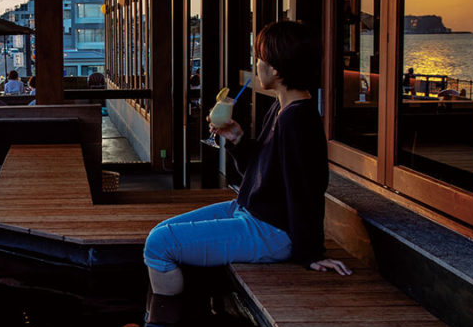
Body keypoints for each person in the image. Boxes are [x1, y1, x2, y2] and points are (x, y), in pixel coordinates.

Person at [144, 21, 351, 298]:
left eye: (260, 59)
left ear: (276, 69)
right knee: (163, 230)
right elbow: (259, 171)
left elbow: (306, 189)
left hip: (272, 230)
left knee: (159, 244)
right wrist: (237, 140)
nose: (256, 65)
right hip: (249, 210)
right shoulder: (281, 108)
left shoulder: (297, 120)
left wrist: (310, 253)